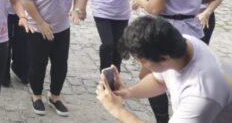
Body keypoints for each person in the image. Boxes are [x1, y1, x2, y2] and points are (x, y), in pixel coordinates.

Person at [131, 0, 220, 123]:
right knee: (187, 73)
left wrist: (140, 2)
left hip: (168, 29)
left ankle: (163, 118)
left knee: (150, 75)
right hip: (193, 27)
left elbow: (155, 7)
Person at [96, 16, 232, 123]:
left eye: (142, 61)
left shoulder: (201, 93)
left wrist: (117, 109)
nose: (139, 65)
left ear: (165, 58)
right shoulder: (181, 43)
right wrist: (127, 93)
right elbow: (160, 81)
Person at [21, 0, 88, 117]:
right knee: (38, 64)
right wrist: (41, 23)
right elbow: (26, 0)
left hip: (61, 27)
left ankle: (55, 97)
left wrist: (77, 9)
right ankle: (36, 95)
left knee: (60, 64)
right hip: (38, 28)